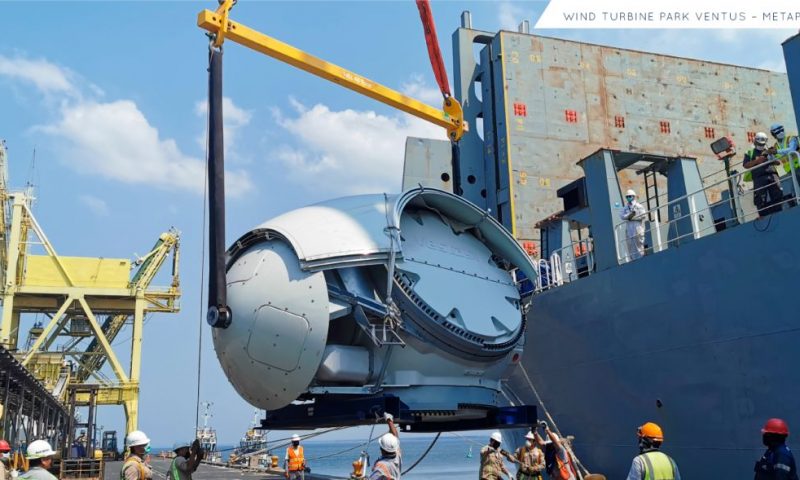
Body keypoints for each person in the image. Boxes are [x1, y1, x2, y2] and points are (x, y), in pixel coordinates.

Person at [743, 132, 784, 217]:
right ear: (755, 141)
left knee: (777, 193)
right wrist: (757, 161)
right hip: (759, 177)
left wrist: (771, 158)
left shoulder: (769, 149)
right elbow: (746, 165)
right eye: (759, 143)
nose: (760, 145)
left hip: (772, 174)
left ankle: (780, 211)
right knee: (760, 197)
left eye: (762, 143)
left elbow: (778, 162)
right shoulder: (749, 151)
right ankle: (762, 215)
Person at [369, 413, 401, 480]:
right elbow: (395, 436)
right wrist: (389, 421)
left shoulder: (381, 465)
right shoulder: (397, 457)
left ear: (382, 449)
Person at [770, 123, 800, 188]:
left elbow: (792, 149)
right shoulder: (775, 146)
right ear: (773, 134)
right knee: (794, 190)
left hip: (798, 167)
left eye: (782, 130)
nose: (781, 132)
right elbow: (777, 160)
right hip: (789, 171)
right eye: (778, 132)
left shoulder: (791, 138)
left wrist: (776, 151)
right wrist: (770, 154)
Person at [619, 189, 646, 261]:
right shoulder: (625, 208)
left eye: (629, 196)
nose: (628, 198)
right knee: (630, 243)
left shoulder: (639, 206)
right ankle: (633, 260)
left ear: (633, 197)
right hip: (629, 228)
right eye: (627, 197)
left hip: (637, 227)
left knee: (639, 242)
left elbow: (643, 215)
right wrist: (628, 216)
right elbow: (621, 216)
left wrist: (634, 217)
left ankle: (641, 257)